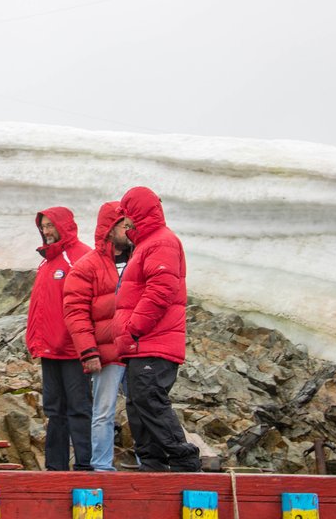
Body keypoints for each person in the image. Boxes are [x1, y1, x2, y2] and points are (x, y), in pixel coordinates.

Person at [112, 186, 201, 472]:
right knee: (138, 403)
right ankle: (152, 462)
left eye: (128, 215)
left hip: (153, 340)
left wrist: (134, 328)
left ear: (138, 213)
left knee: (148, 398)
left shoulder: (161, 242)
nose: (126, 222)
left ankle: (183, 458)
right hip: (143, 342)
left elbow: (160, 291)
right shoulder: (147, 243)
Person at [63, 201, 132, 471]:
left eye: (132, 226)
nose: (130, 231)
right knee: (103, 411)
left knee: (142, 407)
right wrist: (89, 351)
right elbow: (75, 312)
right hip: (106, 351)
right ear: (110, 228)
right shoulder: (87, 266)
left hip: (137, 350)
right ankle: (102, 467)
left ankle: (148, 464)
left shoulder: (139, 258)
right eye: (125, 226)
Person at [26, 207, 92, 471]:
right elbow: (40, 306)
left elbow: (93, 302)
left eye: (50, 226)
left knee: (79, 407)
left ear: (64, 226)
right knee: (54, 409)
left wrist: (89, 344)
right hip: (49, 348)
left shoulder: (82, 257)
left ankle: (86, 465)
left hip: (74, 348)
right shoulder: (47, 261)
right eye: (43, 226)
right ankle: (56, 467)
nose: (46, 231)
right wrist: (34, 340)